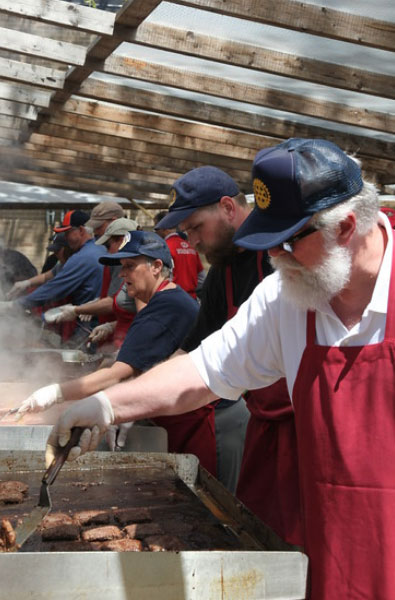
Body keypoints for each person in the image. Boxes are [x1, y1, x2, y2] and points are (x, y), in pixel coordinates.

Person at [44, 137, 395, 599]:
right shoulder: (287, 295)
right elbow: (201, 372)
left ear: (346, 227)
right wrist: (106, 405)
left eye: (287, 243)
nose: (277, 260)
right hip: (329, 532)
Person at [155, 167, 301, 538]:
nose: (192, 241)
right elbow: (194, 351)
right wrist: (140, 397)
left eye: (194, 227)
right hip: (263, 419)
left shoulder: (281, 257)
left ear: (227, 208)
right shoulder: (222, 273)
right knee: (258, 527)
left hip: (303, 425)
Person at [19, 231, 217, 470]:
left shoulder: (165, 308)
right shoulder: (167, 300)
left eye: (130, 266)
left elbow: (116, 374)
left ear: (156, 266)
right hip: (176, 417)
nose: (122, 274)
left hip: (185, 427)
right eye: (122, 266)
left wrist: (54, 393)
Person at [13, 210, 107, 345]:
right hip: (94, 320)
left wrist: (17, 304)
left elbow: (53, 288)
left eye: (68, 233)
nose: (66, 238)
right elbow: (51, 274)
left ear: (81, 230)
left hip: (89, 324)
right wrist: (26, 283)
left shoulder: (83, 257)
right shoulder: (95, 250)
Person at [52, 218, 140, 351]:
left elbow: (116, 304)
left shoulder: (137, 269)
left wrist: (77, 310)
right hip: (115, 339)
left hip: (128, 343)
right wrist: (94, 307)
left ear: (122, 240)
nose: (108, 251)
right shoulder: (118, 263)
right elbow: (121, 301)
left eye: (109, 245)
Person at [154, 211, 206, 299]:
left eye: (156, 228)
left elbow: (161, 279)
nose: (155, 232)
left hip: (172, 299)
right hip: (191, 300)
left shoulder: (163, 248)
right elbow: (202, 278)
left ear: (163, 228)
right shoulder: (191, 247)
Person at [6, 233, 72, 300]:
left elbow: (54, 288)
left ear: (68, 249)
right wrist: (25, 283)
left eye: (57, 251)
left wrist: (22, 302)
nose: (55, 254)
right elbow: (45, 276)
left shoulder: (74, 265)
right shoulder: (60, 264)